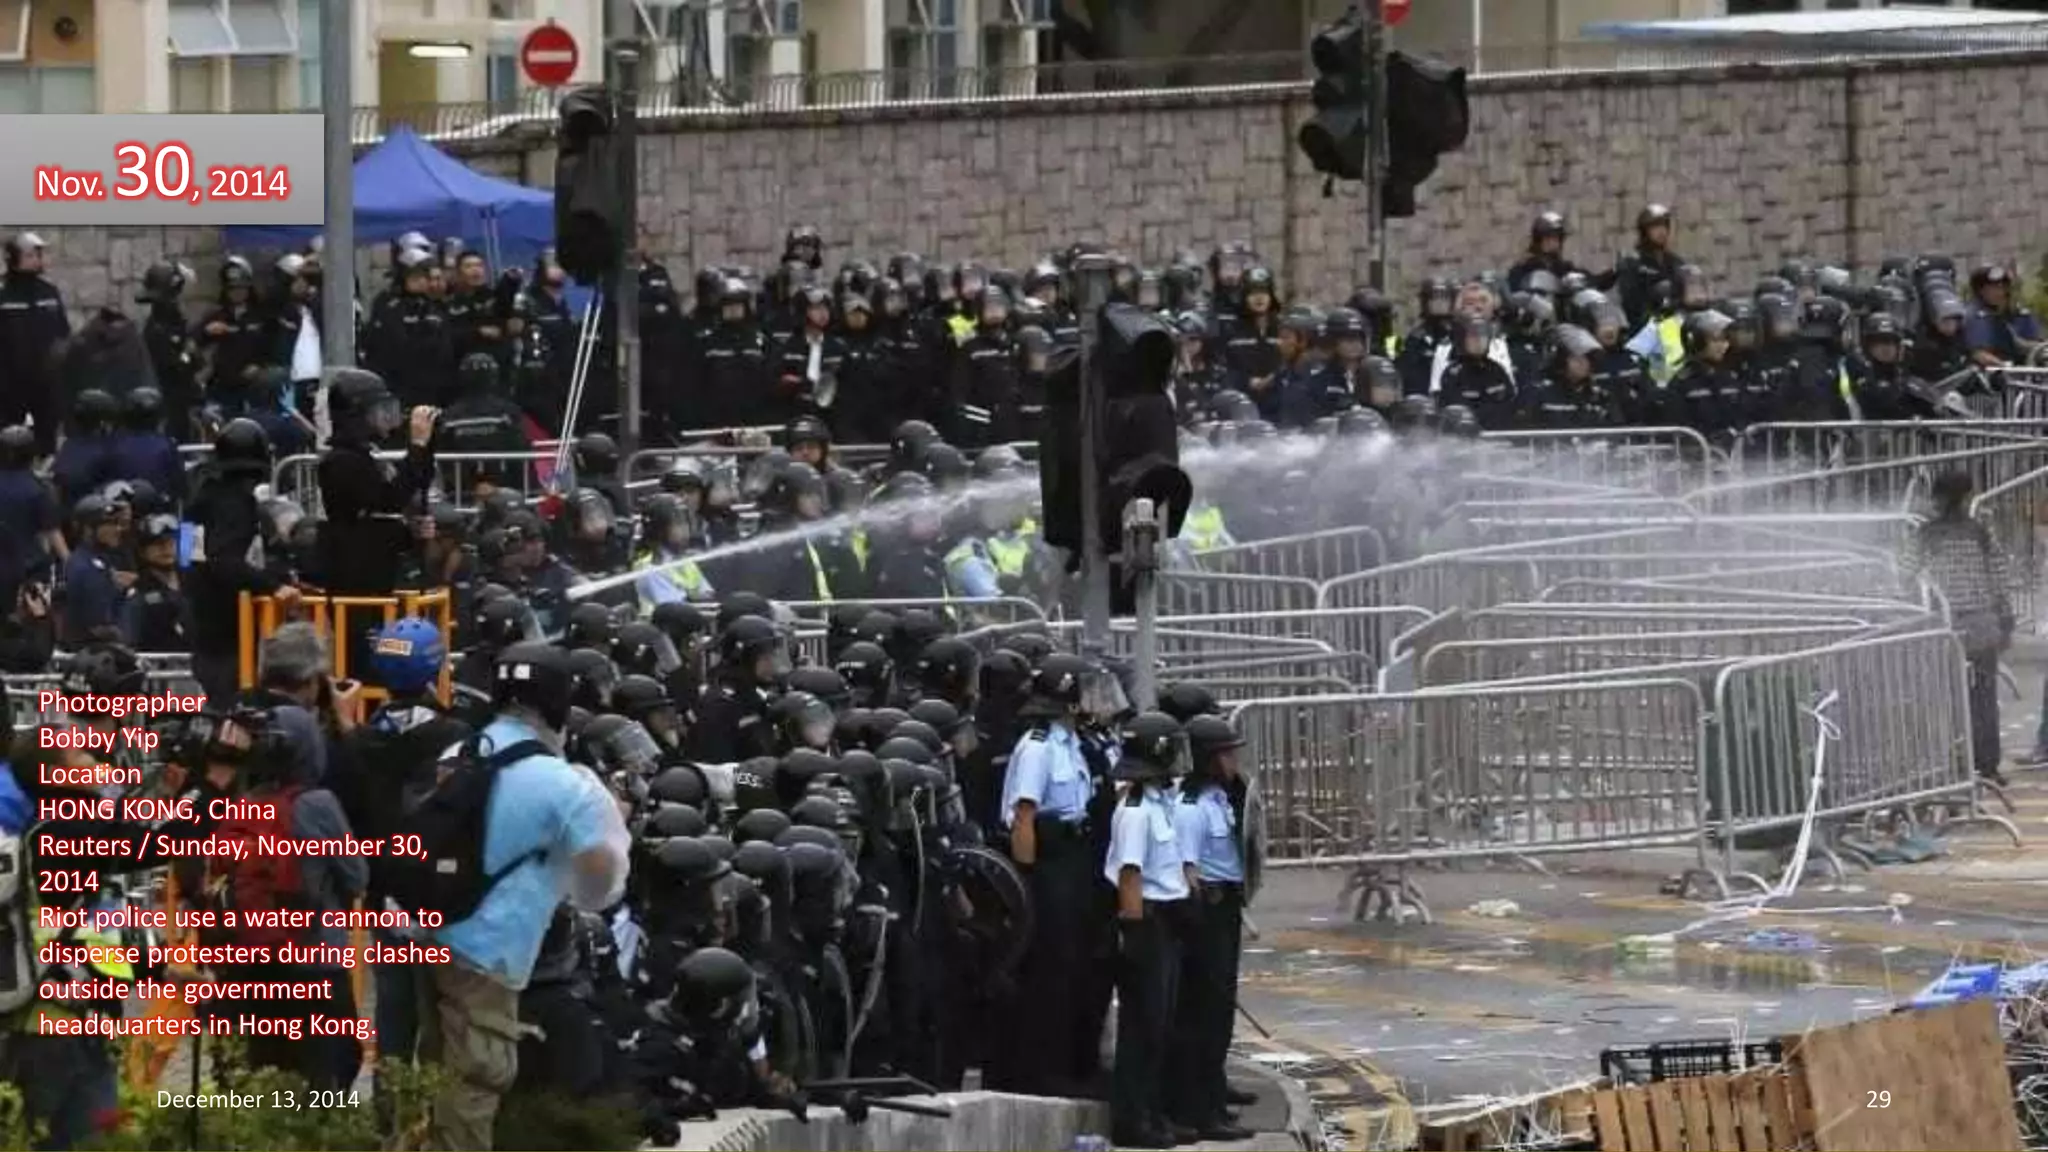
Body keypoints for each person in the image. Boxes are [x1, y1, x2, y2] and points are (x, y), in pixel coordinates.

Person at [426, 642, 630, 1150]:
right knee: (479, 1078)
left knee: (431, 1079)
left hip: (426, 930)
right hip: (489, 947)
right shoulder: (563, 785)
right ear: (558, 703)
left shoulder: (460, 753)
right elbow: (601, 883)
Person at [990, 653, 1100, 1096]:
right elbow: (1023, 818)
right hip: (1047, 863)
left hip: (1073, 857)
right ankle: (1039, 1072)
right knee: (1047, 971)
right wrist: (1028, 883)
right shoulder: (1036, 746)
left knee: (1070, 966)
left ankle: (1062, 1065)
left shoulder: (1069, 742)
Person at [1103, 710, 1192, 1149]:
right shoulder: (1135, 811)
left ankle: (1153, 1113)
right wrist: (1135, 932)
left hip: (1167, 918)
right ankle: (1132, 1119)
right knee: (1141, 1027)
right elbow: (1130, 876)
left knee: (1160, 1025)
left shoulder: (1160, 802)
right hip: (1147, 921)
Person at [1166, 714, 1255, 1140]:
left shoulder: (1220, 798)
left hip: (1226, 908)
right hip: (1205, 911)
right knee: (1201, 1015)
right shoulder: (1190, 809)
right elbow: (1187, 869)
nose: (1234, 760)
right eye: (1226, 754)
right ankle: (1197, 1111)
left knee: (1219, 1015)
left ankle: (1212, 1100)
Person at [1901, 471, 2012, 786]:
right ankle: (1987, 765)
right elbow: (2000, 576)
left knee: (1945, 696)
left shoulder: (1925, 535)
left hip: (1942, 627)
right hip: (1980, 624)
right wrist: (2006, 617)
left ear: (1936, 499)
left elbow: (1905, 574)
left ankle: (1951, 763)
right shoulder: (1981, 532)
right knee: (1984, 696)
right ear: (1965, 498)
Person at [315, 368, 438, 595]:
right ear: (356, 413)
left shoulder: (363, 455)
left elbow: (394, 497)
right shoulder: (341, 460)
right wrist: (417, 447)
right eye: (377, 410)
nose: (384, 417)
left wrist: (409, 531)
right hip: (354, 579)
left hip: (374, 573)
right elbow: (388, 499)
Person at [0, 232, 70, 454]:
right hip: (10, 386)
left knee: (47, 442)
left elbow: (62, 332)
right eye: (31, 255)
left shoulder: (49, 293)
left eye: (39, 254)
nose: (38, 260)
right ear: (13, 259)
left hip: (46, 385)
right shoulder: (4, 296)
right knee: (9, 441)